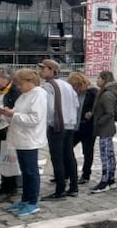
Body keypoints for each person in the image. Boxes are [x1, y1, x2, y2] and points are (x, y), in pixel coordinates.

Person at [0, 68, 47, 217]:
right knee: (25, 171)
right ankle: (25, 199)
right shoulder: (25, 95)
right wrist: (7, 114)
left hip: (29, 139)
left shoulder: (38, 95)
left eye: (20, 83)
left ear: (30, 81)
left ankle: (32, 202)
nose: (18, 87)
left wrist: (13, 114)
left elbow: (34, 119)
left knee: (31, 172)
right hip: (20, 137)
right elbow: (17, 114)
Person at [38, 59, 80, 201]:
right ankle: (73, 186)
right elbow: (76, 104)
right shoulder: (67, 85)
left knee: (57, 158)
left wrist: (48, 122)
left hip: (56, 125)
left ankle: (60, 189)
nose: (41, 71)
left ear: (51, 70)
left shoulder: (49, 86)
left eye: (43, 68)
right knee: (69, 155)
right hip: (69, 124)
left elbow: (49, 108)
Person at [0, 66, 22, 200]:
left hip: (6, 130)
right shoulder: (0, 91)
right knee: (2, 160)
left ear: (7, 78)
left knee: (7, 160)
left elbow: (15, 111)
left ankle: (9, 187)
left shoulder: (14, 91)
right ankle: (6, 186)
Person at [90, 71, 117, 193]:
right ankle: (110, 179)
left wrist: (99, 121)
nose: (97, 80)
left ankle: (105, 180)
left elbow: (110, 112)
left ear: (103, 79)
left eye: (98, 78)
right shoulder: (108, 93)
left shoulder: (107, 94)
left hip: (105, 129)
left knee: (105, 155)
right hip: (106, 128)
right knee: (109, 154)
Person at [68, 73, 98, 186]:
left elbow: (98, 106)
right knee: (67, 148)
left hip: (88, 126)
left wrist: (92, 113)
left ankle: (86, 175)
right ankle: (68, 173)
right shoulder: (73, 94)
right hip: (75, 126)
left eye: (75, 86)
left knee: (88, 151)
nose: (75, 88)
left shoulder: (92, 92)